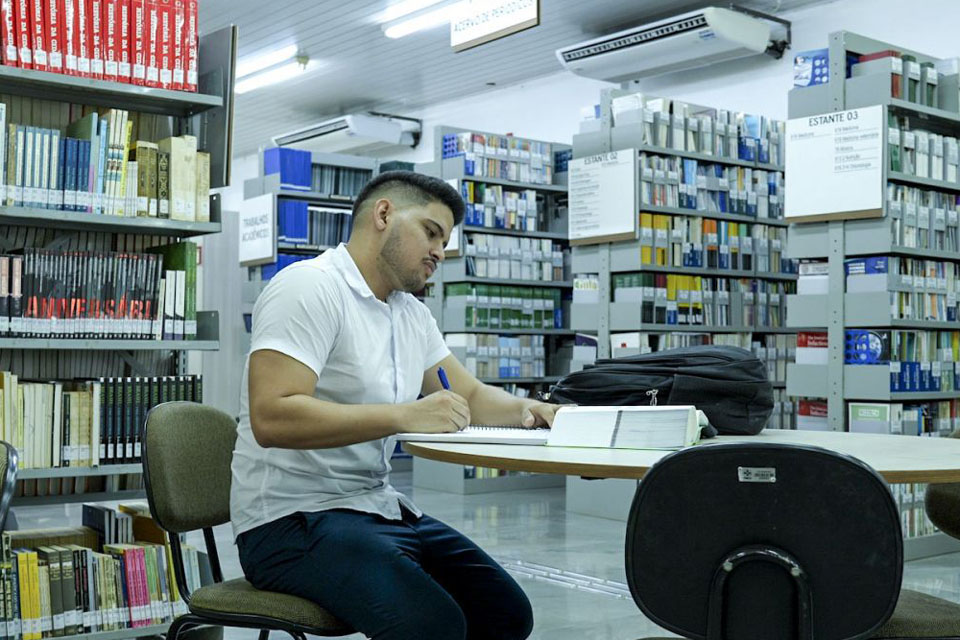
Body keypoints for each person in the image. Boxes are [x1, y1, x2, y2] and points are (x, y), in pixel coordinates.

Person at [231, 171, 561, 640]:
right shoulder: (308, 288)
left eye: (444, 242)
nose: (439, 253)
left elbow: (468, 394)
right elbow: (272, 416)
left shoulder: (410, 313)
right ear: (384, 214)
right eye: (431, 232)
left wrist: (531, 409)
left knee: (505, 613)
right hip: (288, 522)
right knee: (433, 627)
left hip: (376, 507)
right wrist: (405, 415)